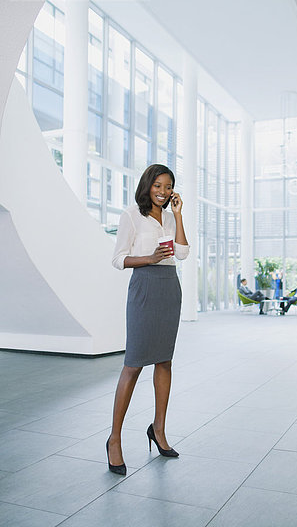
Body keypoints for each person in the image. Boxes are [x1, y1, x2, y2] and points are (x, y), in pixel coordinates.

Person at [106, 164, 190, 474]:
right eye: (158, 185)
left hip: (169, 287)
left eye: (168, 186)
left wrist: (179, 215)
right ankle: (114, 439)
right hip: (144, 286)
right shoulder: (131, 215)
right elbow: (118, 259)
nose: (163, 191)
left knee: (164, 362)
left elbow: (181, 254)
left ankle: (159, 430)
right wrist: (150, 258)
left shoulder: (169, 217)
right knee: (133, 364)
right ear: (148, 185)